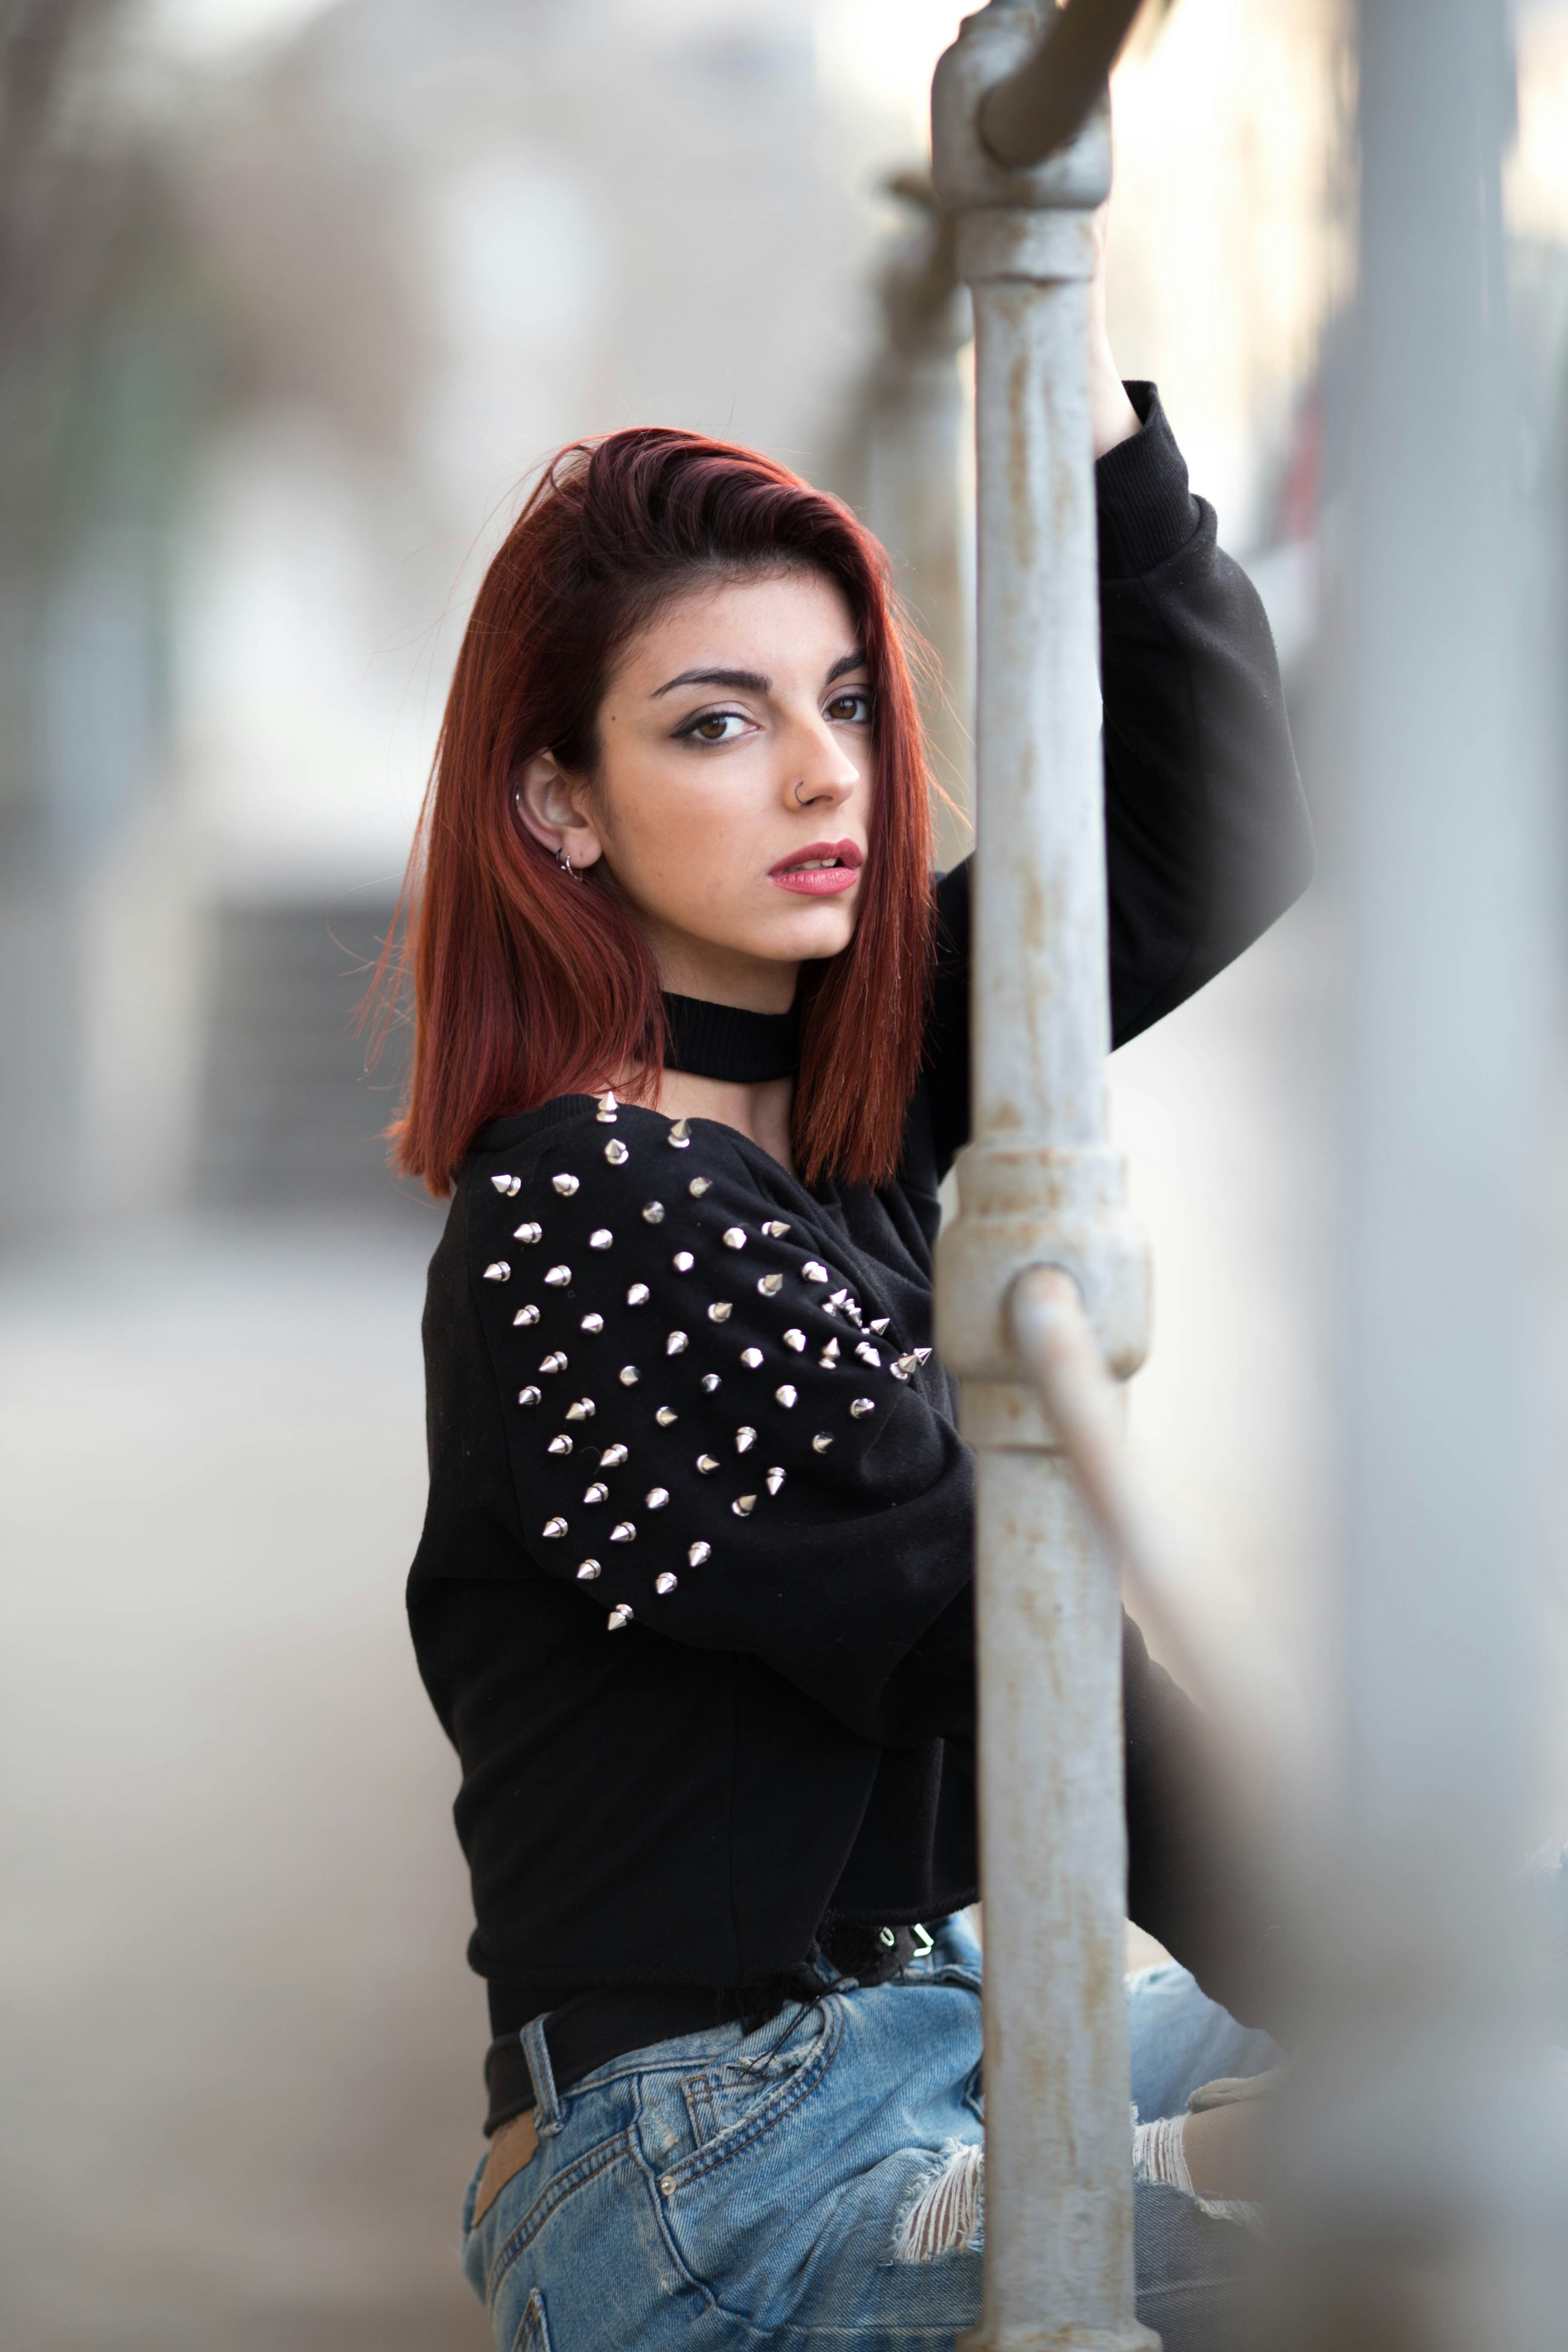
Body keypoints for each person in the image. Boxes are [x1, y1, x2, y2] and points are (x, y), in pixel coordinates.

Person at [391, 237, 1314, 2350]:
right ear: (563, 802)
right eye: (718, 726)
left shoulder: (838, 1108)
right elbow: (1001, 1649)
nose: (825, 780)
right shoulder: (595, 1202)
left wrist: (1061, 367)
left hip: (937, 2026)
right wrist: (1364, 1994)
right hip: (710, 2160)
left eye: (844, 705)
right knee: (1433, 2155)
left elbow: (1213, 829)